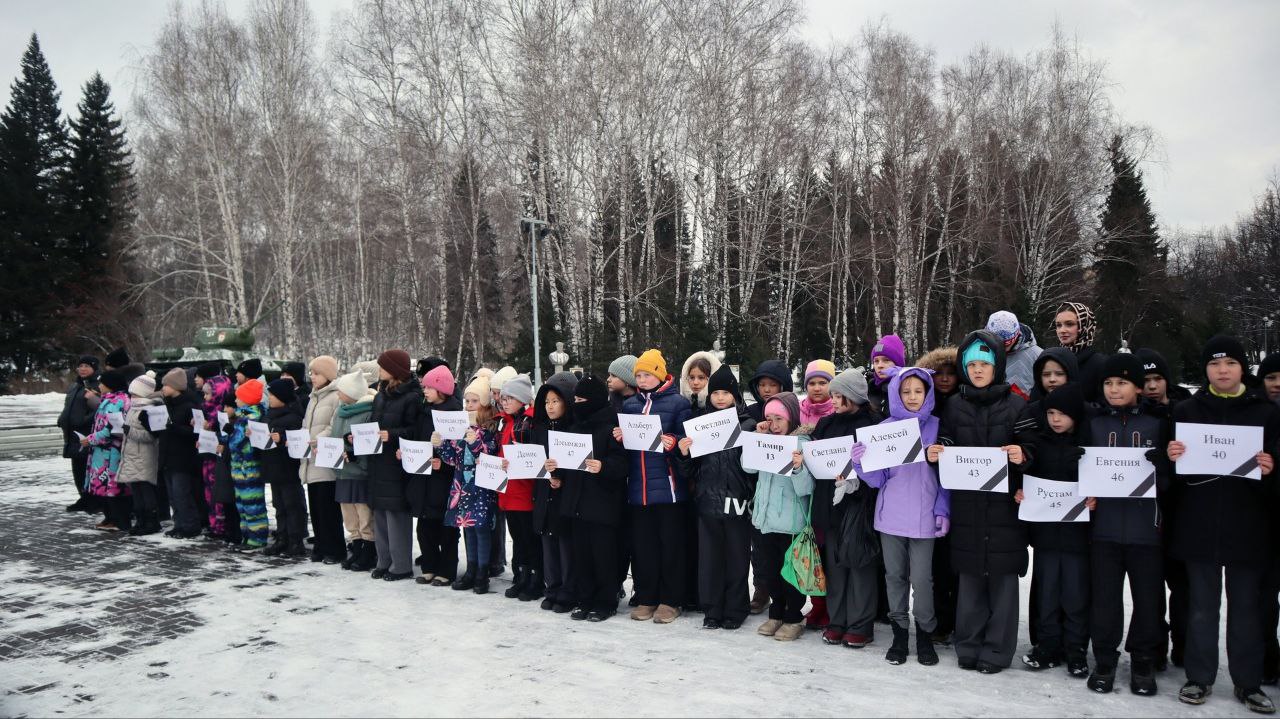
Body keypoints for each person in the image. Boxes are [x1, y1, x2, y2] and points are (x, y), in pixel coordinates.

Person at [1167, 336, 1280, 713]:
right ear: (1206, 370)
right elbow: (1172, 477)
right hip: (1199, 524)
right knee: (1201, 606)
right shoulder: (1186, 411)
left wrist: (1272, 468)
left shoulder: (1265, 412)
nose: (1222, 370)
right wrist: (1172, 457)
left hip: (1249, 525)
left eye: (1230, 363)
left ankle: (1248, 683)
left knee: (1247, 609)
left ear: (1242, 367)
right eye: (1215, 365)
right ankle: (1199, 678)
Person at [926, 329, 1032, 674]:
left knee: (1002, 581)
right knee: (969, 579)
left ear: (997, 365)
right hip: (968, 507)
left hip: (1003, 509)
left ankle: (997, 650)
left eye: (984, 363)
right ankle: (968, 645)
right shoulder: (955, 403)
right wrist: (939, 448)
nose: (977, 370)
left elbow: (1032, 446)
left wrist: (1023, 454)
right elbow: (947, 437)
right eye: (971, 364)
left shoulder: (1017, 404)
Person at [1083, 352, 1170, 696]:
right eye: (1108, 383)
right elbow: (1085, 475)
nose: (1114, 390)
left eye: (1122, 383)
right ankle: (1104, 659)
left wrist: (1163, 466)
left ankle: (1144, 660)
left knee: (1148, 601)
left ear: (1137, 386)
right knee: (1105, 600)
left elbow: (1172, 480)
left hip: (1145, 530)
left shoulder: (1158, 422)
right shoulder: (1094, 423)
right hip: (1104, 530)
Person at [854, 367, 948, 666]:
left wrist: (943, 508)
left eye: (918, 391)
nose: (911, 397)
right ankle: (899, 633)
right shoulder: (885, 428)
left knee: (922, 580)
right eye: (905, 391)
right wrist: (861, 463)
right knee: (895, 577)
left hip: (924, 517)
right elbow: (879, 480)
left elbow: (948, 474)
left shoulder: (937, 426)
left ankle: (924, 634)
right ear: (895, 393)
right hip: (891, 516)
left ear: (928, 393)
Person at [1016, 383, 1091, 677]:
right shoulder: (1041, 444)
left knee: (1075, 597)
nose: (1055, 419)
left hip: (1077, 538)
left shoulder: (1086, 447)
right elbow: (1028, 480)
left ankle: (1076, 650)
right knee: (1046, 594)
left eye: (1062, 413)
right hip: (1046, 536)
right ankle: (1047, 646)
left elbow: (1100, 483)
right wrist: (1022, 494)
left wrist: (1093, 498)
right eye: (1050, 412)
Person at [616, 350, 692, 624]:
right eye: (638, 375)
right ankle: (647, 597)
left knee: (670, 547)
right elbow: (627, 448)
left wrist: (673, 440)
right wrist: (620, 436)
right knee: (644, 547)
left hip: (669, 489)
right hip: (639, 488)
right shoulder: (630, 405)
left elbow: (687, 437)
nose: (643, 379)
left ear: (660, 374)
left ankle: (671, 600)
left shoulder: (678, 403)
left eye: (647, 374)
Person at [676, 366, 754, 630]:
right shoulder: (701, 425)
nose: (720, 398)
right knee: (709, 560)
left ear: (735, 395)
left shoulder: (748, 424)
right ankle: (712, 609)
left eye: (726, 392)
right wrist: (684, 454)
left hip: (737, 502)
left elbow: (754, 468)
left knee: (736, 559)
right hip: (708, 502)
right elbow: (690, 470)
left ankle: (735, 608)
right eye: (716, 393)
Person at [815, 369, 882, 648]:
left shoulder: (872, 424)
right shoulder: (826, 423)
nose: (834, 399)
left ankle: (861, 624)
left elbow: (878, 466)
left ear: (854, 396)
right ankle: (837, 620)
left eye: (839, 395)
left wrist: (856, 483)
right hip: (830, 504)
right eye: (833, 394)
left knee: (859, 565)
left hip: (859, 505)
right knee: (836, 566)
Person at [744, 392, 813, 642]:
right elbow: (748, 467)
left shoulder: (803, 443)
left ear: (791, 418)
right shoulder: (764, 439)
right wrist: (756, 439)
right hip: (765, 519)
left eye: (779, 419)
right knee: (769, 571)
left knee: (790, 574)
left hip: (790, 522)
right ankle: (776, 612)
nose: (774, 425)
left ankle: (794, 616)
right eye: (769, 419)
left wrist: (799, 468)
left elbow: (807, 488)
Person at [560, 375, 628, 621]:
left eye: (581, 399)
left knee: (604, 556)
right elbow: (567, 461)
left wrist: (604, 466)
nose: (576, 403)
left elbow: (622, 463)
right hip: (577, 502)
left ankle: (606, 601)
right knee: (582, 556)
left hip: (602, 503)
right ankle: (585, 598)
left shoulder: (611, 427)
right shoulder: (574, 426)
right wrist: (554, 468)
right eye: (575, 399)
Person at [437, 375, 500, 594]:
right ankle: (471, 569)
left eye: (474, 401)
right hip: (461, 486)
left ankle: (483, 571)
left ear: (484, 404)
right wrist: (442, 445)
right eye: (467, 401)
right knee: (468, 529)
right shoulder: (461, 428)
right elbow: (453, 458)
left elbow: (487, 455)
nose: (469, 406)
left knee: (481, 529)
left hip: (481, 487)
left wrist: (474, 442)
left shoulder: (490, 429)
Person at [916, 345, 961, 643]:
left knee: (954, 563)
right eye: (939, 374)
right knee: (934, 565)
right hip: (928, 488)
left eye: (950, 373)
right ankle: (938, 620)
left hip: (960, 486)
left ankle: (955, 617)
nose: (945, 379)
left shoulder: (962, 404)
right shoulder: (924, 409)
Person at [367, 349, 422, 581]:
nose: (379, 370)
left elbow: (415, 430)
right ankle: (384, 560)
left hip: (397, 462)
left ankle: (401, 565)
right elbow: (373, 422)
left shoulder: (412, 396)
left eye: (383, 366)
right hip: (378, 460)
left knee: (396, 513)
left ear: (395, 370)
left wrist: (392, 435)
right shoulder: (380, 395)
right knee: (379, 511)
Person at [745, 357, 795, 614]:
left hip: (785, 496)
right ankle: (761, 588)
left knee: (783, 552)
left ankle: (787, 601)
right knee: (761, 550)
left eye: (772, 385)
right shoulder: (752, 413)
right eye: (762, 384)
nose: (766, 390)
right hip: (758, 489)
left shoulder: (793, 417)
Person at [531, 371, 580, 612]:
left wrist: (562, 478)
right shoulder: (539, 428)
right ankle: (553, 587)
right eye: (547, 402)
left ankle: (569, 590)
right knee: (548, 542)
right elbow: (533, 460)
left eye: (556, 401)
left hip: (566, 498)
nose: (550, 407)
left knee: (565, 545)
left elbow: (581, 463)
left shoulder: (574, 429)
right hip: (544, 496)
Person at [411, 363, 462, 586]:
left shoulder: (454, 414)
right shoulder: (424, 412)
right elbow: (416, 437)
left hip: (445, 480)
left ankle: (447, 569)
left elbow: (461, 451)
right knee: (424, 526)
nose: (425, 391)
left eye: (428, 387)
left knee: (446, 528)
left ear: (441, 389)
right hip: (424, 478)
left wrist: (445, 464)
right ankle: (429, 566)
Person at [496, 374, 539, 600]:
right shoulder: (507, 422)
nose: (505, 402)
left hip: (524, 490)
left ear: (522, 399)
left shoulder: (530, 421)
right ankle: (521, 576)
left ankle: (534, 578)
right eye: (503, 398)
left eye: (510, 398)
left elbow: (534, 456)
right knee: (518, 538)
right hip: (509, 491)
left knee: (528, 538)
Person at [299, 356, 345, 564]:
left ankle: (334, 549)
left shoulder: (335, 396)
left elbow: (334, 425)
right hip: (311, 459)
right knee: (316, 507)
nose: (312, 377)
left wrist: (317, 440)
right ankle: (320, 545)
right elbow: (306, 424)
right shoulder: (313, 397)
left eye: (316, 373)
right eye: (311, 373)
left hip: (325, 458)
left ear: (327, 375)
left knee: (328, 509)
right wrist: (301, 438)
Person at [330, 371, 377, 572]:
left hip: (358, 471)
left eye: (341, 390)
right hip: (342, 470)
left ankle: (369, 548)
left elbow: (368, 441)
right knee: (348, 511)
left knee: (363, 511)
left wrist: (353, 454)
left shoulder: (367, 412)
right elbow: (336, 436)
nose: (338, 394)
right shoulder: (341, 411)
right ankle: (356, 544)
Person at [259, 379, 307, 558]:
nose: (269, 398)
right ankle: (282, 537)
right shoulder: (269, 415)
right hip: (273, 465)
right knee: (278, 504)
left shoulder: (294, 417)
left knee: (292, 504)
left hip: (288, 467)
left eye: (272, 395)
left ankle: (296, 540)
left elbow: (297, 439)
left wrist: (282, 438)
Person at [157, 368, 203, 539]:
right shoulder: (167, 405)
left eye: (166, 385)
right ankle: (179, 524)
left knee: (182, 493)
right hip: (168, 455)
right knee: (172, 494)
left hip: (183, 457)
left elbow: (195, 432)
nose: (163, 388)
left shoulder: (189, 405)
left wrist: (174, 427)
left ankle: (190, 525)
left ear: (176, 386)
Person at [84, 369, 131, 531]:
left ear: (110, 385)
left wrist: (90, 439)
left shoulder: (116, 402)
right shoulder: (108, 399)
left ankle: (117, 519)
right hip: (102, 451)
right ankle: (109, 517)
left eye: (102, 383)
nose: (99, 386)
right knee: (103, 486)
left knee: (112, 486)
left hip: (111, 452)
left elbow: (111, 429)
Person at [118, 374, 163, 536]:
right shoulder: (134, 408)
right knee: (136, 490)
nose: (132, 397)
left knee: (145, 490)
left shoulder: (150, 409)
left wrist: (129, 431)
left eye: (135, 394)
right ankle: (141, 520)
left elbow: (150, 436)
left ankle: (151, 521)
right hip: (132, 455)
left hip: (144, 456)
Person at [227, 378, 269, 551]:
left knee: (253, 503)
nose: (235, 401)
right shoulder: (241, 416)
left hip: (249, 468)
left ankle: (257, 537)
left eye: (238, 397)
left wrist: (230, 432)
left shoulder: (251, 417)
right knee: (242, 503)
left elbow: (235, 442)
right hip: (239, 467)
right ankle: (247, 534)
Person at [59, 355, 101, 514]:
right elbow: (68, 406)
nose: (82, 369)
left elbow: (99, 409)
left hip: (86, 433)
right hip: (71, 434)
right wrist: (62, 419)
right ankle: (83, 497)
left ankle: (92, 500)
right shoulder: (75, 386)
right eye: (80, 365)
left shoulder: (97, 386)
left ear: (94, 368)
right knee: (77, 468)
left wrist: (84, 421)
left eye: (87, 366)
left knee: (87, 468)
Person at [1052, 302, 1107, 403]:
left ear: (1085, 326)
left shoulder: (1099, 363)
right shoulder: (1052, 359)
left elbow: (1104, 405)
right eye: (1058, 325)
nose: (1062, 330)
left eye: (1069, 324)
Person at [987, 310, 1042, 398]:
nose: (1001, 347)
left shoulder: (1038, 355)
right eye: (996, 342)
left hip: (1024, 408)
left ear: (1016, 336)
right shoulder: (978, 352)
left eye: (1006, 344)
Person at [867, 335, 906, 415]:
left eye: (886, 360)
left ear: (898, 363)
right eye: (876, 361)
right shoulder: (869, 389)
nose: (879, 365)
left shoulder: (909, 388)